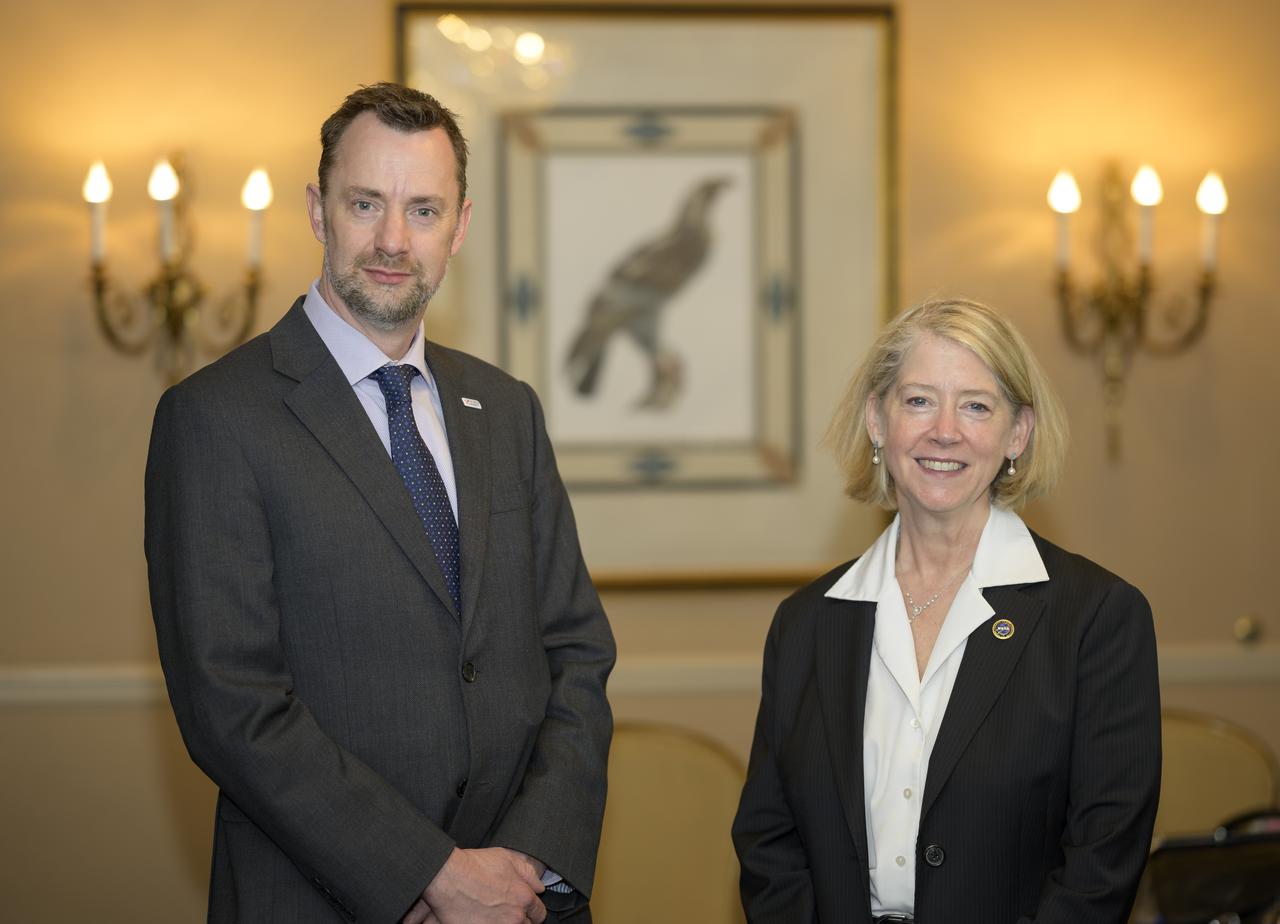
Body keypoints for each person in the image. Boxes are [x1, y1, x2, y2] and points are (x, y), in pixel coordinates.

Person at [145, 83, 615, 924]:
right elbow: (233, 705)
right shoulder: (216, 417)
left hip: (520, 904)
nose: (394, 241)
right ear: (319, 212)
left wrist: (521, 861)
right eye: (365, 204)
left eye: (424, 210)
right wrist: (429, 872)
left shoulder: (506, 410)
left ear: (460, 227)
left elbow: (577, 652)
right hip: (317, 900)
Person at [732, 298, 1160, 923]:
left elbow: (1102, 862)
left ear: (1019, 433)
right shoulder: (806, 624)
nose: (945, 431)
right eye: (919, 400)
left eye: (977, 406)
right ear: (878, 420)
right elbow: (770, 844)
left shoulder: (1096, 619)